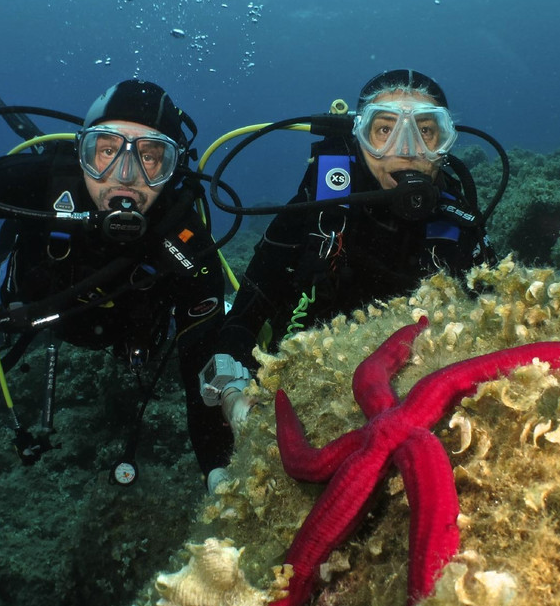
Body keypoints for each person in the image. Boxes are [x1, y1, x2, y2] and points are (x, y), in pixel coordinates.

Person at [0, 80, 232, 485]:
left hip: (125, 331)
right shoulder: (46, 180)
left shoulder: (186, 238)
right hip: (33, 293)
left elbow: (201, 362)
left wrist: (217, 472)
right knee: (8, 272)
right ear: (82, 152)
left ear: (174, 167)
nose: (125, 177)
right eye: (106, 151)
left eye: (150, 156)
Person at [203, 69, 497, 428]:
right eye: (385, 130)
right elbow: (244, 319)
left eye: (426, 130)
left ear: (445, 142)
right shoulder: (316, 209)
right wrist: (234, 394)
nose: (405, 150)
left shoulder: (460, 222)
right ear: (359, 136)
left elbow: (494, 318)